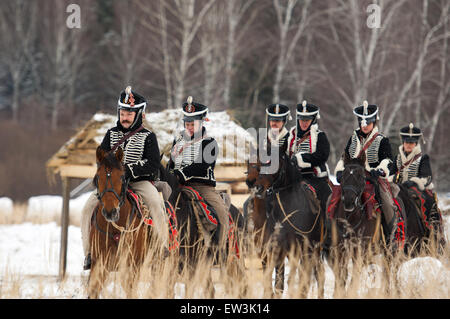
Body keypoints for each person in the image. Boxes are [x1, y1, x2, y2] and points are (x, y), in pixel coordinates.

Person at [81, 86, 168, 270]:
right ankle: (89, 253)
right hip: (113, 184)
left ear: (139, 115)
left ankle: (162, 247)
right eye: (122, 112)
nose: (125, 117)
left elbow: (153, 164)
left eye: (129, 113)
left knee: (154, 203)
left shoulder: (148, 136)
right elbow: (102, 160)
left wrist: (128, 170)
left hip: (138, 182)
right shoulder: (111, 134)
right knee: (88, 207)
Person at [333, 101, 404, 246]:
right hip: (353, 178)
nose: (364, 125)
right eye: (362, 122)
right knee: (333, 200)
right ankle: (331, 236)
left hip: (373, 179)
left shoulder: (381, 140)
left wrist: (380, 169)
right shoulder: (353, 139)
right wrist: (340, 170)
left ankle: (390, 237)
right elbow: (344, 157)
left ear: (374, 121)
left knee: (387, 203)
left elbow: (387, 160)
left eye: (368, 122)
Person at [168, 96, 229, 249]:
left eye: (193, 124)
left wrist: (181, 174)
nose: (189, 127)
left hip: (202, 187)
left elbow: (202, 165)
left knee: (221, 214)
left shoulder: (210, 142)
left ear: (202, 122)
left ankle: (220, 249)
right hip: (177, 186)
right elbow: (172, 162)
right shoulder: (178, 140)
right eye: (187, 123)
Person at [394, 123, 444, 235]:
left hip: (416, 189)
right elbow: (391, 174)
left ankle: (432, 231)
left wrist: (413, 182)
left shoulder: (423, 158)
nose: (409, 145)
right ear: (403, 142)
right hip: (398, 189)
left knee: (429, 201)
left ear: (416, 143)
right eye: (407, 142)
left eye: (411, 142)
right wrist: (394, 181)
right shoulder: (397, 159)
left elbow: (426, 177)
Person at [287, 100, 331, 216]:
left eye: (307, 120)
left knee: (327, 198)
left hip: (314, 176)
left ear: (313, 120)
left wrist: (300, 159)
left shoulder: (320, 136)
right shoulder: (291, 136)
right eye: (302, 119)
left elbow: (322, 156)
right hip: (292, 178)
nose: (304, 123)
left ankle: (329, 228)